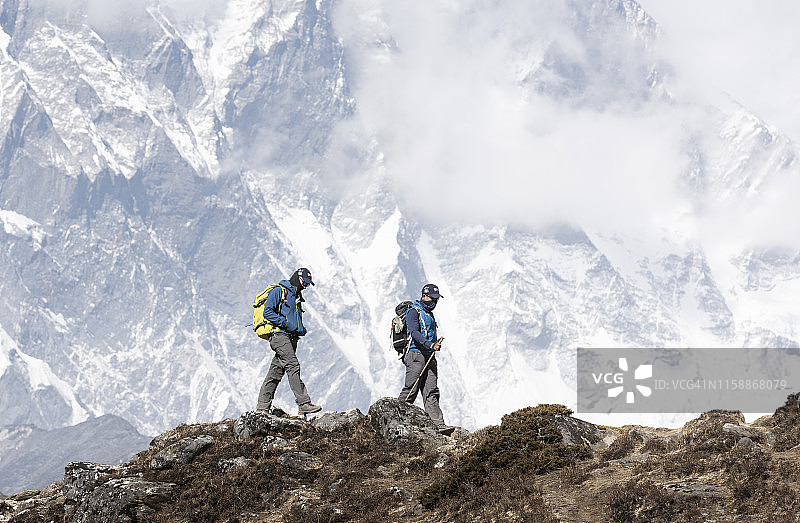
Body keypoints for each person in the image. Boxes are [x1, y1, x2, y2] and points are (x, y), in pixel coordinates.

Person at [256, 268, 322, 415]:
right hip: (279, 336)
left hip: (291, 338)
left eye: (308, 284)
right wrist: (285, 323)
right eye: (305, 283)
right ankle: (304, 403)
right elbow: (267, 312)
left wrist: (300, 329)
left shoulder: (296, 296)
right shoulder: (279, 291)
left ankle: (262, 409)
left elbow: (294, 318)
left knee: (275, 373)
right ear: (297, 279)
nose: (306, 286)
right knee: (293, 365)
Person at [398, 283, 454, 435]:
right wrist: (429, 344)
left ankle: (439, 426)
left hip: (429, 356)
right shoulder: (413, 312)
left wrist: (432, 347)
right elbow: (414, 333)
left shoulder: (428, 313)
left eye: (436, 299)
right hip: (416, 355)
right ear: (424, 296)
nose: (435, 302)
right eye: (433, 298)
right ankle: (395, 419)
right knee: (412, 388)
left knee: (431, 391)